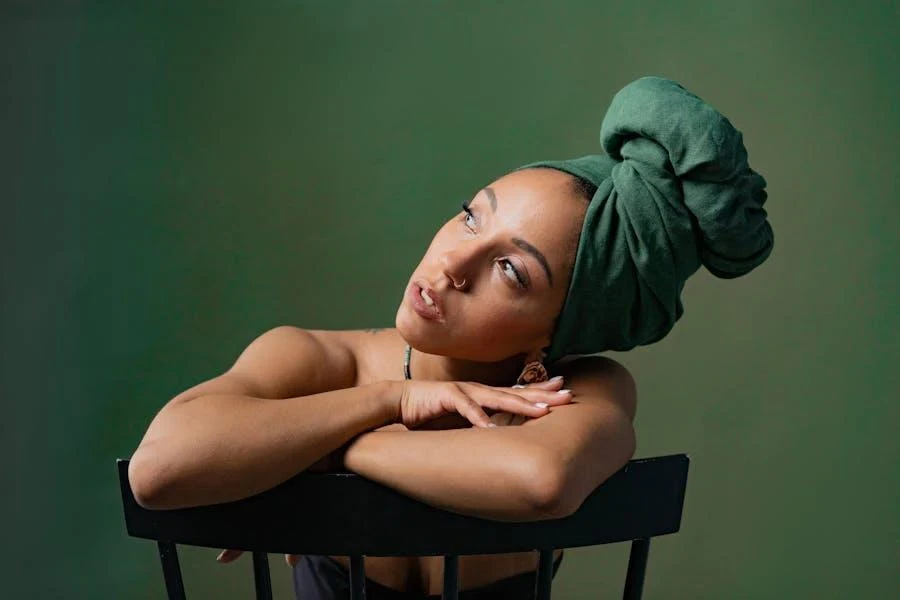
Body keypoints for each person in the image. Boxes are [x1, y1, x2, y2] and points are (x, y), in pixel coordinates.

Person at [127, 77, 774, 599]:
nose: (452, 266)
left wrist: (321, 452)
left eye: (511, 271)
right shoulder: (316, 358)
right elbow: (159, 471)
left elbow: (540, 479)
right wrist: (386, 404)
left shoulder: (578, 390)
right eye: (471, 217)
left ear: (555, 334)